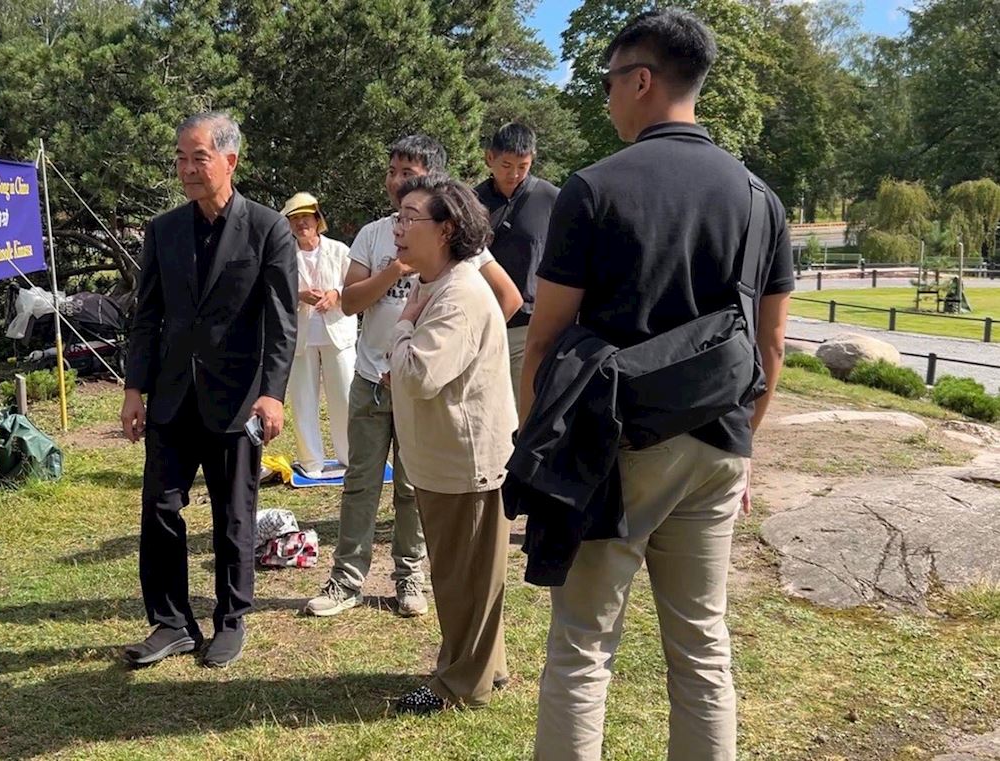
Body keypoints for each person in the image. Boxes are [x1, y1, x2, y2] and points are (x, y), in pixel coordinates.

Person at [519, 10, 793, 760]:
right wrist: (743, 447)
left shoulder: (592, 189)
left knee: (582, 648)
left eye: (609, 81)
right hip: (718, 442)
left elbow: (543, 339)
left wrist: (543, 452)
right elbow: (771, 345)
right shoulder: (759, 198)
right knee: (703, 646)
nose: (608, 96)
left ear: (641, 80)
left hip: (611, 448)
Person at [303, 135, 522, 619]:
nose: (396, 181)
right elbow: (350, 302)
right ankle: (346, 579)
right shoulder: (376, 234)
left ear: (432, 183)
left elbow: (507, 299)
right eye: (392, 170)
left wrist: (460, 356)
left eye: (408, 173)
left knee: (413, 486)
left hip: (422, 386)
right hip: (371, 378)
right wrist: (394, 272)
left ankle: (410, 577)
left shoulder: (452, 239)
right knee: (360, 481)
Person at [120, 112, 297, 669]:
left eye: (198, 157)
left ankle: (231, 618)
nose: (187, 169)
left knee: (234, 512)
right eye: (180, 158)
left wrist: (272, 392)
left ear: (230, 160)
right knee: (160, 508)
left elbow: (282, 321)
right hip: (172, 395)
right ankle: (171, 622)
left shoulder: (268, 228)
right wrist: (134, 389)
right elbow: (147, 316)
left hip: (238, 397)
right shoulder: (164, 230)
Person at [387, 174, 517, 714]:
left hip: (466, 462)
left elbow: (418, 375)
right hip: (446, 457)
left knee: (464, 580)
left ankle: (460, 683)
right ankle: (488, 667)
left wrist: (402, 327)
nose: (398, 229)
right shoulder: (434, 284)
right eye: (398, 217)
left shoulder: (458, 295)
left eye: (409, 218)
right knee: (468, 575)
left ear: (446, 230)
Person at [474, 123, 560, 407]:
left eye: (522, 166)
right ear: (490, 158)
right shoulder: (472, 201)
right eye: (506, 165)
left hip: (531, 326)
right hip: (482, 321)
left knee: (526, 408)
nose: (514, 174)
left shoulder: (551, 198)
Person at [282, 192, 355, 479]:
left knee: (345, 397)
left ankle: (350, 458)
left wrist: (336, 294)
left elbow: (357, 284)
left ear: (317, 220)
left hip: (338, 333)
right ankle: (311, 461)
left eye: (306, 218)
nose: (301, 224)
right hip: (301, 337)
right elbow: (273, 290)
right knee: (303, 399)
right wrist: (299, 295)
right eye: (295, 219)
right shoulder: (284, 254)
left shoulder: (339, 250)